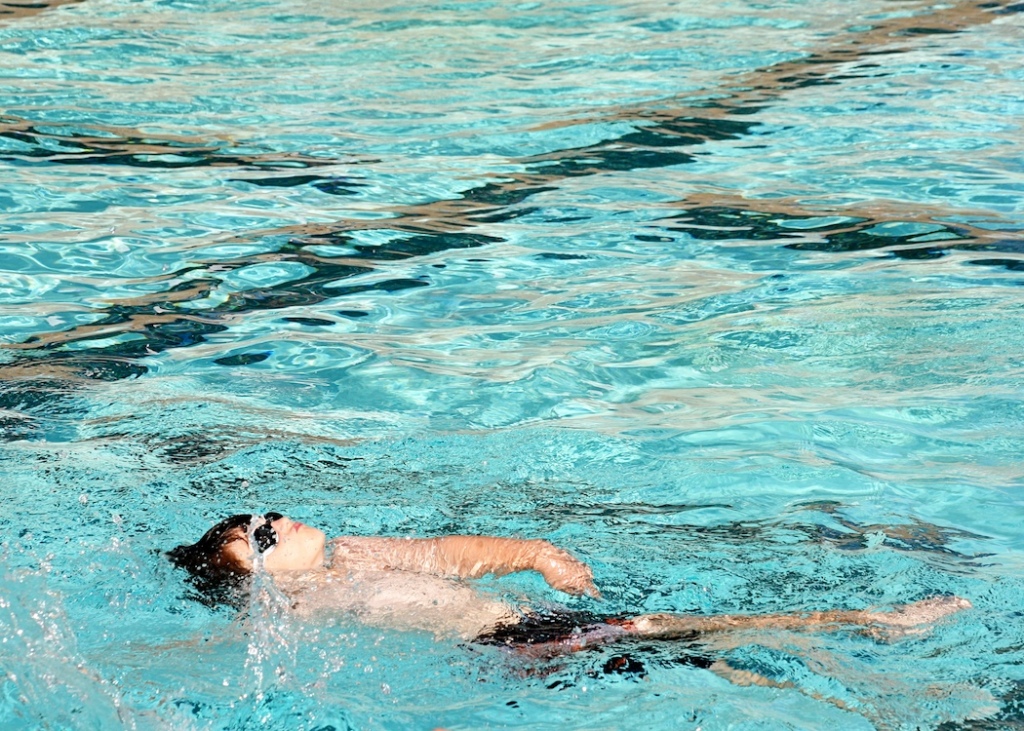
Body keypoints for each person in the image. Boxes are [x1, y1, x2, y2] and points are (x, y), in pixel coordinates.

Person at [168, 512, 971, 661]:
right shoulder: (300, 609)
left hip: (530, 621)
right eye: (263, 538)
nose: (279, 522)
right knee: (670, 630)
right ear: (264, 583)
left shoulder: (355, 551)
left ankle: (853, 650)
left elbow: (452, 552)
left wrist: (538, 552)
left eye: (267, 514)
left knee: (702, 655)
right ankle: (872, 621)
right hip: (511, 646)